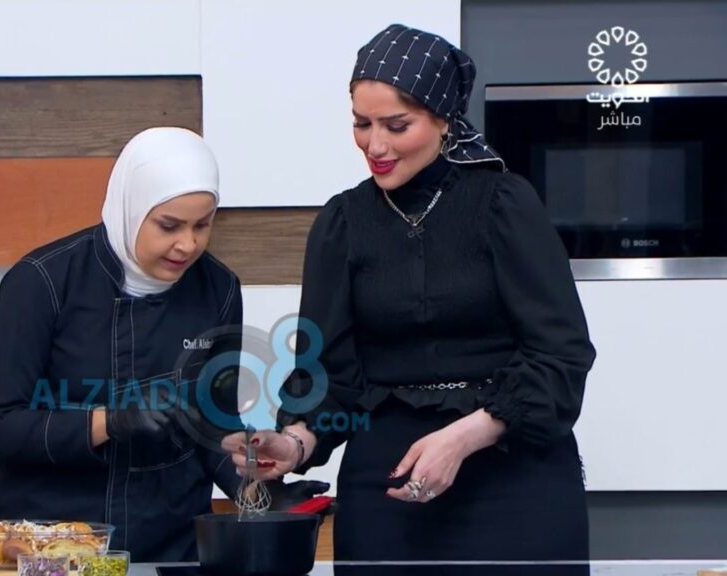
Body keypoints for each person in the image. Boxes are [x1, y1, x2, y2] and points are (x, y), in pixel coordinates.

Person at [223, 24, 597, 566]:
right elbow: (329, 375)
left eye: (397, 126)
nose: (375, 145)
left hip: (514, 479)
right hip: (387, 485)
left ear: (444, 119)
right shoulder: (343, 224)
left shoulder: (504, 205)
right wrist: (296, 442)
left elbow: (561, 356)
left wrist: (465, 436)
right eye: (361, 124)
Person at [0, 126, 326, 563]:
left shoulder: (217, 289)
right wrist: (109, 421)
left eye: (203, 225)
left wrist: (259, 494)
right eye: (169, 225)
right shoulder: (43, 281)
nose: (188, 244)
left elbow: (212, 425)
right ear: (131, 207)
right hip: (51, 540)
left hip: (170, 541)